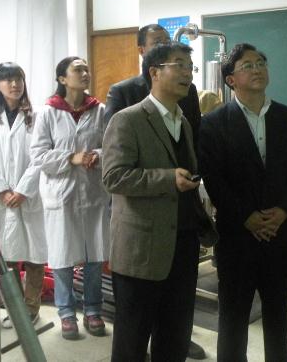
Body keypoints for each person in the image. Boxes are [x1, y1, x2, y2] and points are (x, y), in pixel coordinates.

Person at [102, 42, 215, 362]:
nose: (187, 74)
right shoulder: (128, 120)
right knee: (132, 340)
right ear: (154, 72)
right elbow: (113, 178)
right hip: (141, 248)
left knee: (175, 336)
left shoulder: (184, 122)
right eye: (178, 65)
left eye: (190, 67)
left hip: (183, 244)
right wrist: (167, 179)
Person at [198, 43, 287, 362]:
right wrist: (246, 217)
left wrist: (284, 211)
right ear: (231, 79)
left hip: (279, 234)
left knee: (277, 314)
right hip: (237, 237)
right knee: (233, 318)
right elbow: (214, 178)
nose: (257, 69)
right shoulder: (215, 122)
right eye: (247, 65)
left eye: (261, 63)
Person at [30, 57, 110, 340]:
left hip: (93, 193)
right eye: (78, 70)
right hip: (60, 194)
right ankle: (66, 312)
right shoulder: (48, 112)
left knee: (94, 255)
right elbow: (38, 155)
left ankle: (93, 310)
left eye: (86, 69)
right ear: (62, 79)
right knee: (62, 255)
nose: (85, 73)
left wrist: (97, 156)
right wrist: (70, 158)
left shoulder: (100, 110)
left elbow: (112, 146)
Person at [0, 62, 47, 328]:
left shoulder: (37, 116)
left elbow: (41, 155)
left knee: (34, 255)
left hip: (30, 196)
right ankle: (15, 309)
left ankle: (31, 308)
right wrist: (3, 190)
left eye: (18, 79)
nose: (15, 84)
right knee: (7, 256)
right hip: (2, 199)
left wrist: (22, 190)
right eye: (8, 80)